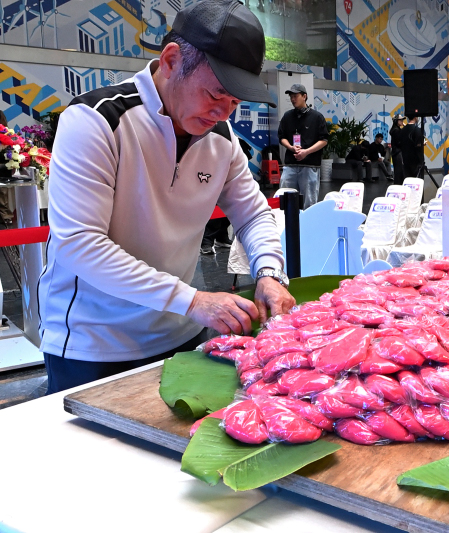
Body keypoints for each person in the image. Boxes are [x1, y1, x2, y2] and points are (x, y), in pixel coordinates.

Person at [38, 0, 296, 394]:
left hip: (181, 333)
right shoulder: (96, 120)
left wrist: (269, 273)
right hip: (93, 343)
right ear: (172, 60)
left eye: (234, 102)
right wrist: (193, 301)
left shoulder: (221, 139)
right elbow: (80, 244)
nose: (223, 114)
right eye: (215, 94)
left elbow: (253, 214)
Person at [278, 83, 328, 209]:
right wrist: (290, 147)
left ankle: (307, 221)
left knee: (309, 202)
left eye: (295, 96)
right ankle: (286, 221)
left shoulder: (317, 117)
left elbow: (324, 140)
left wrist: (306, 152)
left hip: (309, 165)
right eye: (291, 97)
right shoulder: (287, 116)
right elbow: (282, 137)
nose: (292, 99)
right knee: (285, 199)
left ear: (304, 96)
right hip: (290, 165)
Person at [0, 109, 13, 225]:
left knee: (2, 197)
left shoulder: (6, 135)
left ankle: (6, 218)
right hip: (4, 169)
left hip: (3, 170)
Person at [389, 114, 406, 182]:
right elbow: (399, 142)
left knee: (399, 171)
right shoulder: (396, 130)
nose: (402, 121)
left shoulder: (396, 129)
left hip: (397, 152)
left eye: (402, 120)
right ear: (396, 121)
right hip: (398, 152)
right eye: (400, 120)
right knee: (399, 171)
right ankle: (398, 184)